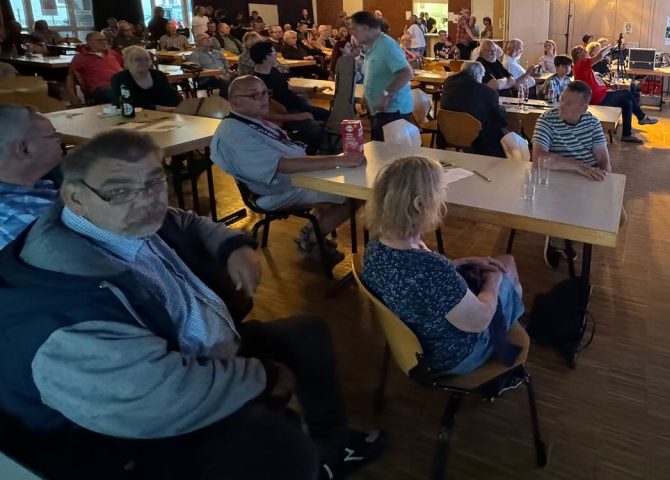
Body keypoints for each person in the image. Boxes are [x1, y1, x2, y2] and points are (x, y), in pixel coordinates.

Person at [0, 129, 385, 480]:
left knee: (307, 333)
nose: (147, 200)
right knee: (279, 447)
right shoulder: (60, 304)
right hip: (123, 432)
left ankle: (331, 449)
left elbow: (183, 220)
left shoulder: (116, 219)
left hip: (197, 350)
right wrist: (262, 378)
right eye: (119, 190)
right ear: (75, 197)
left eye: (155, 182)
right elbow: (156, 399)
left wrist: (233, 246)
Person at [360, 156, 525, 375]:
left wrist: (461, 262)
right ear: (420, 204)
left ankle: (510, 319)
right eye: (439, 193)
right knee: (507, 263)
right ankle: (507, 335)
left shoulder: (374, 248)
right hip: (453, 356)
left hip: (416, 346)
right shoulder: (431, 269)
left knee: (500, 266)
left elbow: (416, 281)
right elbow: (480, 319)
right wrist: (492, 279)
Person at [212, 77, 363, 260]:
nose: (264, 99)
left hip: (294, 179)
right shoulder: (233, 133)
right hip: (274, 191)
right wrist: (339, 160)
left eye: (265, 93)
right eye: (255, 95)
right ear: (236, 101)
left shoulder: (252, 120)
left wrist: (336, 162)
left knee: (342, 184)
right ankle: (312, 240)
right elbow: (283, 165)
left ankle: (309, 234)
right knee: (354, 193)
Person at [532, 80, 611, 269]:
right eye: (562, 99)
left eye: (569, 103)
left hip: (586, 178)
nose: (562, 105)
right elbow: (539, 158)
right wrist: (579, 167)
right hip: (557, 178)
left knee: (617, 217)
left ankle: (568, 235)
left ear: (583, 108)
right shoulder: (547, 120)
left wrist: (605, 182)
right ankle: (557, 240)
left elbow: (603, 159)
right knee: (568, 208)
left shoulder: (592, 122)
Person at [0, 106, 62, 250]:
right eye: (53, 136)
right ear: (25, 149)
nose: (59, 140)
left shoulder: (35, 186)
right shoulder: (34, 218)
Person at [349, 11, 414, 141]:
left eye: (354, 28)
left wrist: (385, 95)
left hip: (393, 112)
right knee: (378, 149)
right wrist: (366, 95)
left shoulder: (386, 45)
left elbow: (406, 72)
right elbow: (374, 74)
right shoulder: (371, 46)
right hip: (381, 111)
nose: (351, 32)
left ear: (365, 28)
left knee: (386, 152)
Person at [250, 41, 326, 150]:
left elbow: (289, 88)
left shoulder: (273, 70)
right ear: (266, 56)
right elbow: (266, 114)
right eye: (274, 52)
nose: (277, 55)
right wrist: (298, 116)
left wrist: (314, 89)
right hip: (286, 114)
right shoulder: (257, 83)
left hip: (297, 106)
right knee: (316, 126)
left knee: (328, 115)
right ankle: (302, 150)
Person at [571, 43, 649, 144]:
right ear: (579, 55)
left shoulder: (584, 66)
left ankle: (627, 134)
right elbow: (599, 56)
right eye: (585, 52)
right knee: (626, 92)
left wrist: (609, 85)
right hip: (597, 100)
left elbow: (596, 79)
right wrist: (608, 47)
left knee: (627, 102)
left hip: (602, 95)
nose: (587, 53)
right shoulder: (580, 65)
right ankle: (642, 117)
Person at [439, 62, 509, 157]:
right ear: (478, 75)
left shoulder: (448, 82)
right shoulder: (488, 93)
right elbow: (500, 119)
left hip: (448, 132)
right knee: (498, 130)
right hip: (475, 139)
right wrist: (501, 108)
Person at [111, 46, 181, 112]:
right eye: (138, 59)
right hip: (136, 117)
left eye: (146, 59)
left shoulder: (159, 75)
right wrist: (157, 108)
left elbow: (173, 97)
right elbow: (120, 103)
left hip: (166, 115)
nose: (144, 62)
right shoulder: (120, 78)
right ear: (127, 62)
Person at [66, 31, 124, 106]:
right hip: (100, 90)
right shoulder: (80, 58)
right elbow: (70, 77)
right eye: (99, 40)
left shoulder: (113, 53)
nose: (104, 42)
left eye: (104, 39)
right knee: (119, 93)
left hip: (120, 85)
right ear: (89, 43)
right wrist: (73, 97)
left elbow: (125, 66)